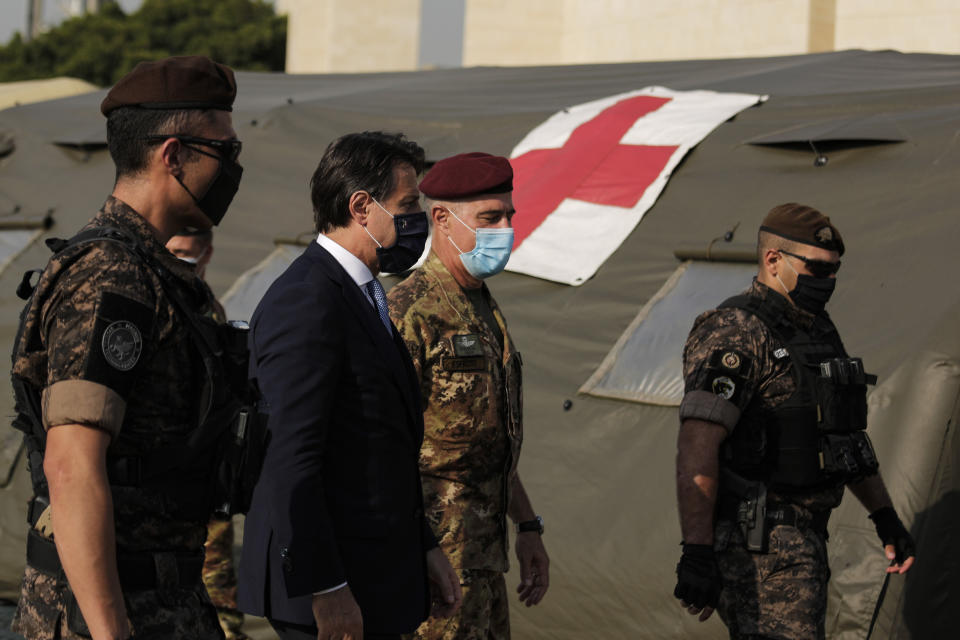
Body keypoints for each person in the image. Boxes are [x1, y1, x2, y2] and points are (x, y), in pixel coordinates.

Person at [10, 56, 244, 639]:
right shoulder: (112, 274)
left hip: (167, 597)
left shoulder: (156, 271)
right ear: (173, 154)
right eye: (224, 151)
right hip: (111, 610)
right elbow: (71, 464)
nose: (235, 168)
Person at [237, 131, 462, 640]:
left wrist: (422, 545)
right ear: (362, 206)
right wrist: (327, 585)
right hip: (332, 590)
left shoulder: (362, 295)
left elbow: (376, 447)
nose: (416, 222)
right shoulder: (309, 300)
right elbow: (290, 458)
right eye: (407, 205)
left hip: (374, 572)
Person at [674, 203, 916, 639]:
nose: (828, 282)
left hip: (806, 539)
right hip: (762, 545)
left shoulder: (817, 331)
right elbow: (698, 442)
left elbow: (841, 437)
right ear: (773, 260)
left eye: (834, 271)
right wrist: (697, 550)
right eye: (817, 269)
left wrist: (884, 517)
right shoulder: (736, 329)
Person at [387, 152, 550, 640]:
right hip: (433, 565)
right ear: (442, 218)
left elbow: (489, 441)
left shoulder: (483, 307)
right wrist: (420, 547)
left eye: (509, 216)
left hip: (484, 560)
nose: (505, 228)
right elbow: (381, 449)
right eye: (490, 218)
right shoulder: (410, 313)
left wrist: (527, 525)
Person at [166, 228, 247, 640]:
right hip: (164, 479)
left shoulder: (210, 310)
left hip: (206, 477)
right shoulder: (157, 303)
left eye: (189, 256)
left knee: (217, 588)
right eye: (173, 252)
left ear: (208, 253)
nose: (182, 262)